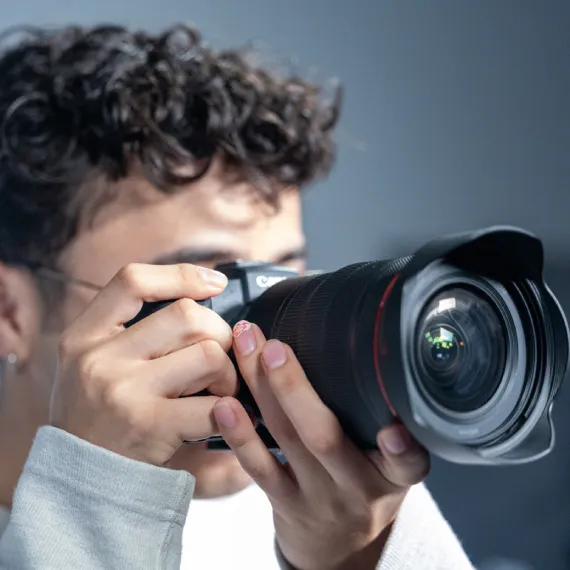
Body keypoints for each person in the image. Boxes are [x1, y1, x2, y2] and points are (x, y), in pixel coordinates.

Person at [0, 24, 474, 569]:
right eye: (209, 287)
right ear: (10, 310)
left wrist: (356, 558)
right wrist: (94, 498)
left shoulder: (320, 515)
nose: (261, 342)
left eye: (283, 283)